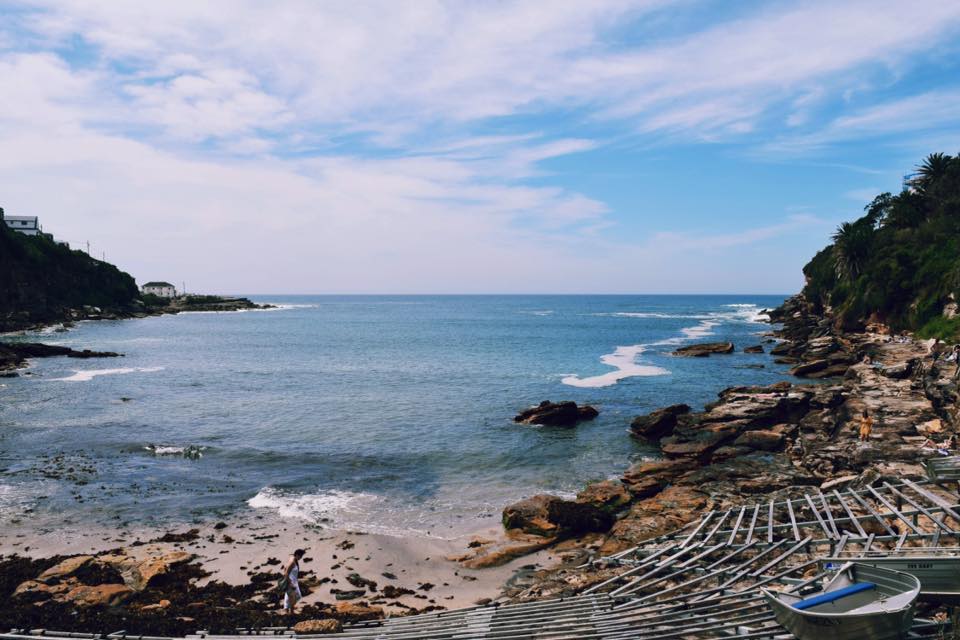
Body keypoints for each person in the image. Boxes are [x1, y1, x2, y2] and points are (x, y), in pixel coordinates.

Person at [280, 548, 305, 615]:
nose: (301, 558)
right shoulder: (292, 562)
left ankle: (287, 610)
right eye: (301, 556)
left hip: (294, 581)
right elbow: (286, 573)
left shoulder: (293, 559)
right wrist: (290, 583)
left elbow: (285, 569)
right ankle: (291, 610)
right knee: (297, 596)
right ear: (297, 555)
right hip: (291, 582)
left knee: (288, 596)